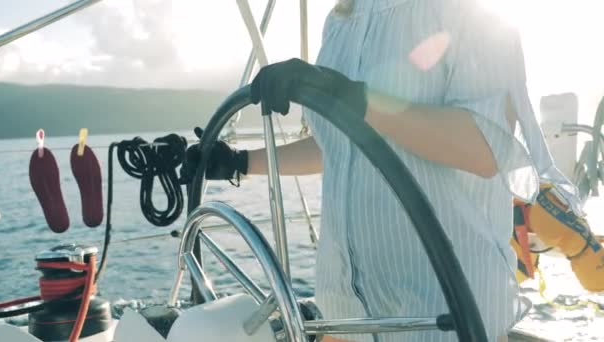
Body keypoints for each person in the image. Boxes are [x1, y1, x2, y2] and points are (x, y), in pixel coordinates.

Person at [181, 0, 581, 341]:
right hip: (345, 318)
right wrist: (236, 161)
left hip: (442, 317)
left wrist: (357, 99)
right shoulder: (341, 19)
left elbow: (485, 147)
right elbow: (338, 142)